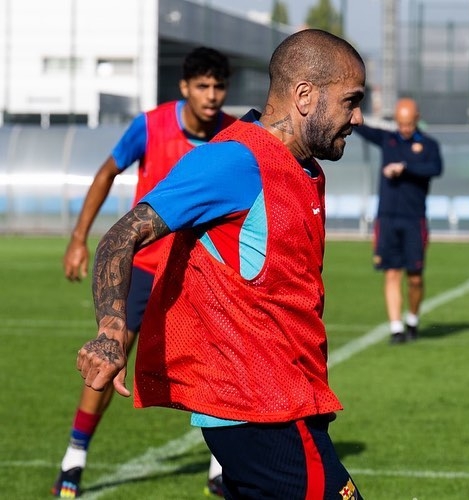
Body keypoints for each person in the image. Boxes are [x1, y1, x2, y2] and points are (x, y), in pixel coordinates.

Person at [75, 29, 366, 499]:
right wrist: (111, 334)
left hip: (289, 398)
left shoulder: (306, 169)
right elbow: (122, 236)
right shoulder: (235, 160)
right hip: (262, 408)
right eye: (350, 101)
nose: (357, 116)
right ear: (306, 96)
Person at [53, 46, 237, 498]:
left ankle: (220, 464)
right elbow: (106, 173)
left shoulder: (235, 134)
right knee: (111, 352)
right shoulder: (151, 125)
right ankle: (74, 457)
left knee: (221, 360)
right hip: (142, 265)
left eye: (218, 86)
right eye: (202, 86)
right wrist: (79, 238)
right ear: (184, 88)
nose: (211, 96)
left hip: (200, 269)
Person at [353, 98, 443, 344]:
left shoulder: (428, 145)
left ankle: (412, 319)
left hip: (414, 219)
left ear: (417, 118)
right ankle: (396, 328)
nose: (404, 128)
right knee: (391, 273)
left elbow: (435, 168)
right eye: (401, 123)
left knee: (414, 277)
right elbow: (362, 129)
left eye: (409, 123)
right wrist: (352, 107)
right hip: (388, 219)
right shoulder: (388, 140)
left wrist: (404, 167)